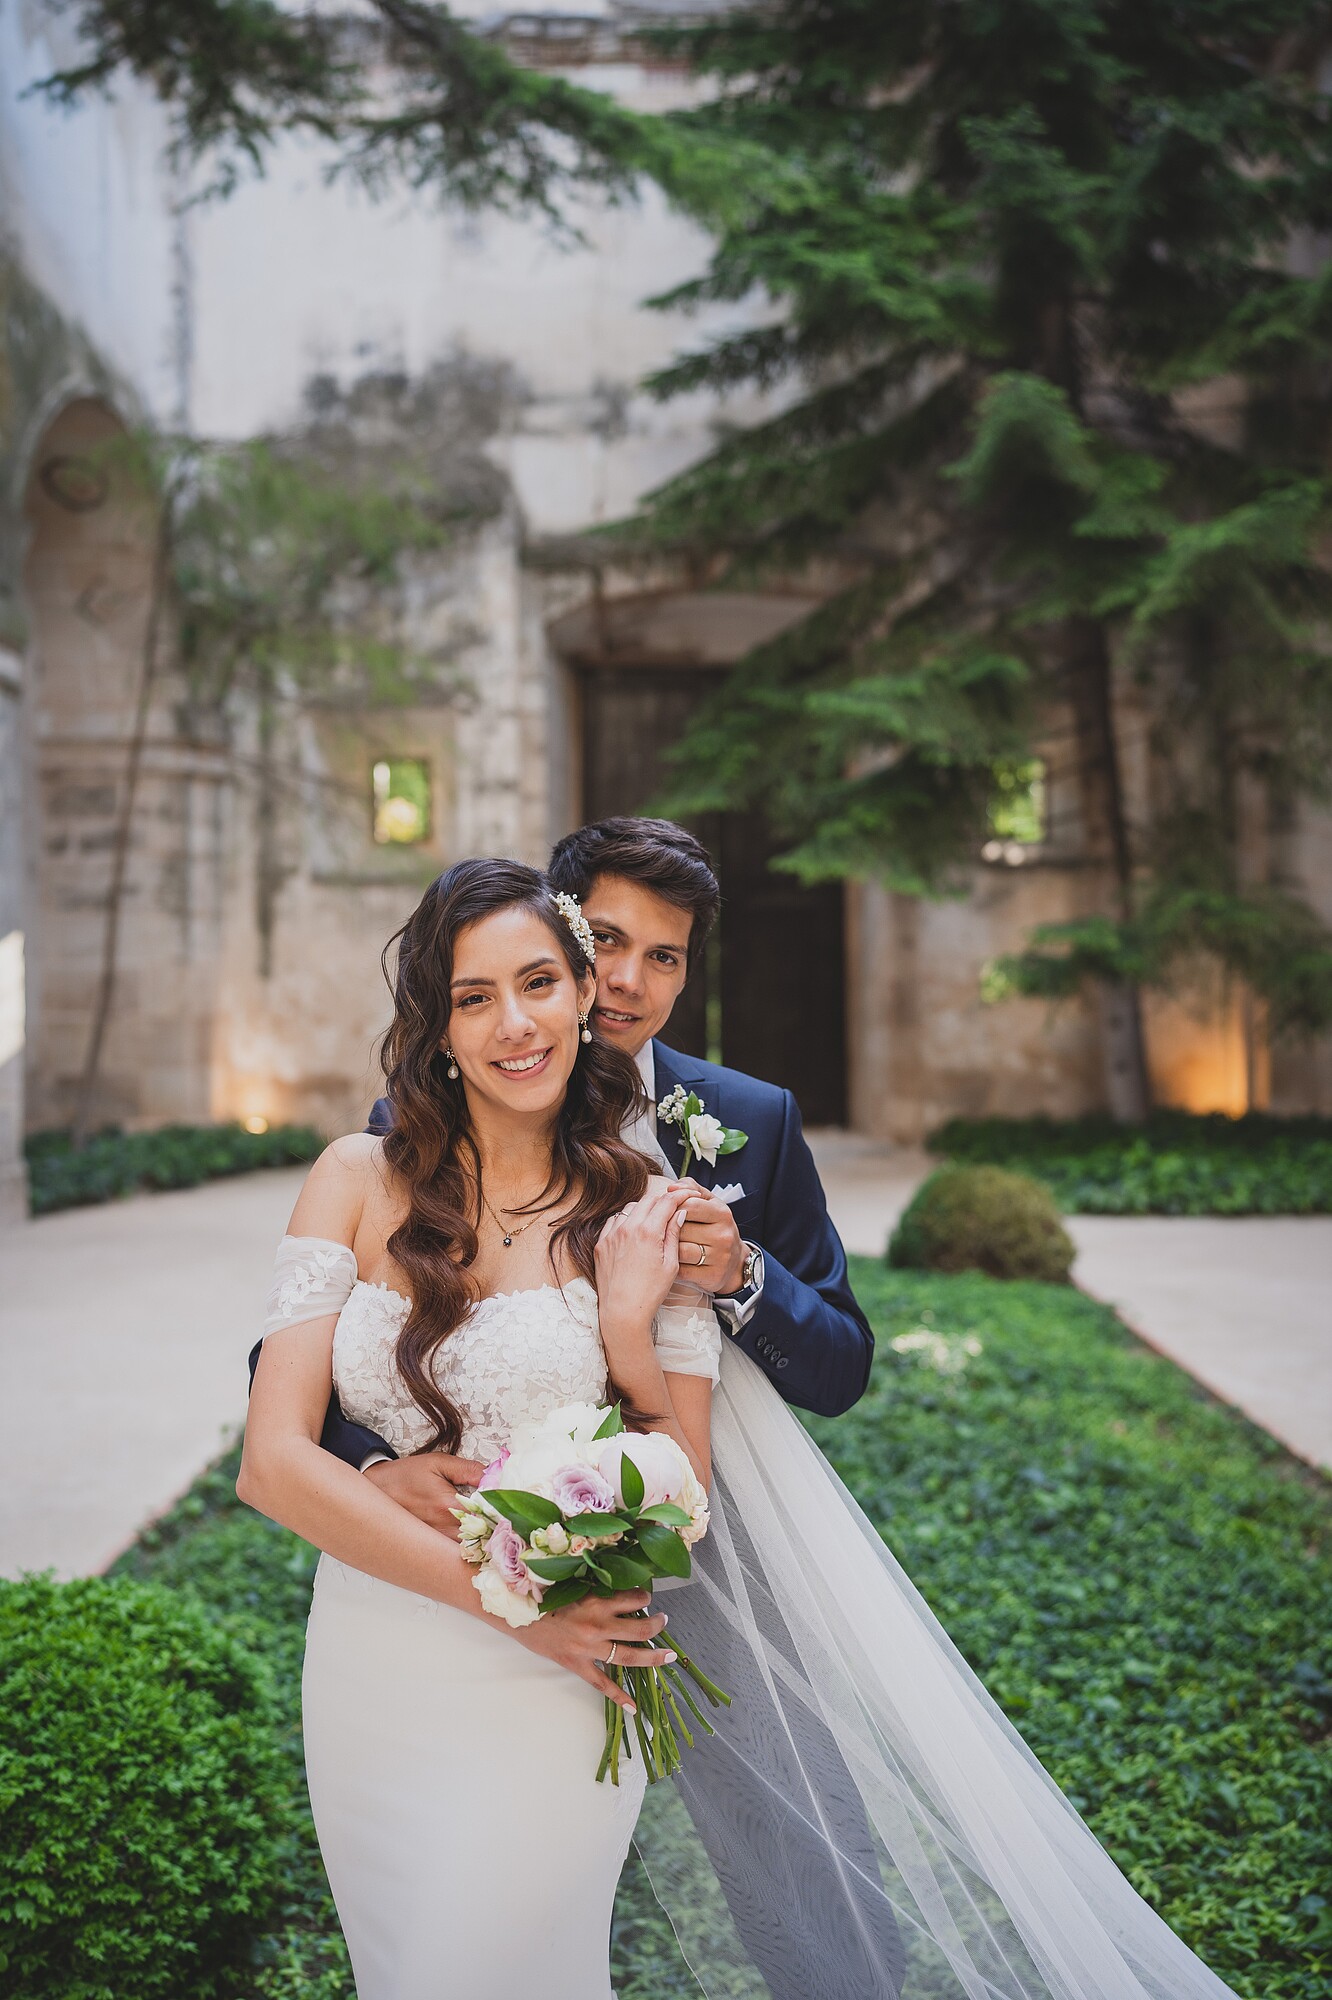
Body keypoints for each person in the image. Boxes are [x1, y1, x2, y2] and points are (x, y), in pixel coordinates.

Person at [243, 859, 1242, 2000]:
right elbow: (279, 1440)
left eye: (549, 982)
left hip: (585, 1631)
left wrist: (637, 1323)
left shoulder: (659, 1197)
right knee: (407, 1965)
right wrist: (384, 1473)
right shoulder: (362, 1168)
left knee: (512, 1950)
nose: (524, 1018)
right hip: (380, 1652)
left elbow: (725, 1451)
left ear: (583, 998)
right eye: (474, 996)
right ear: (437, 1019)